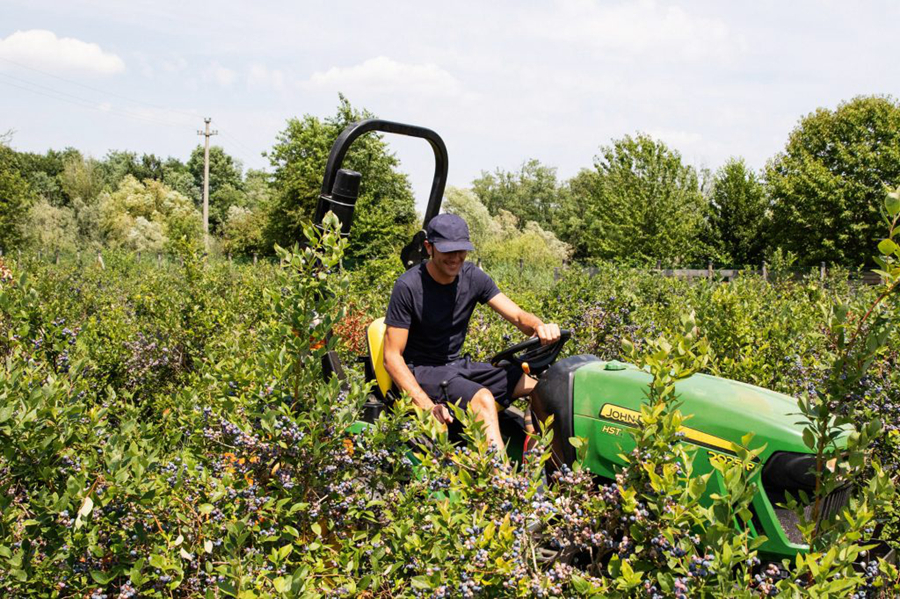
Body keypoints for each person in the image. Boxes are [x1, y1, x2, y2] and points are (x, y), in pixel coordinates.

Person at [383, 213, 561, 454]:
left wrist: (540, 326)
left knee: (544, 387)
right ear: (429, 247)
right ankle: (502, 486)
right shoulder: (408, 287)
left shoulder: (473, 277)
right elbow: (392, 357)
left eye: (461, 250)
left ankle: (549, 466)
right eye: (448, 251)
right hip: (423, 370)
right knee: (483, 399)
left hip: (458, 366)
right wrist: (425, 405)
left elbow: (519, 317)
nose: (456, 258)